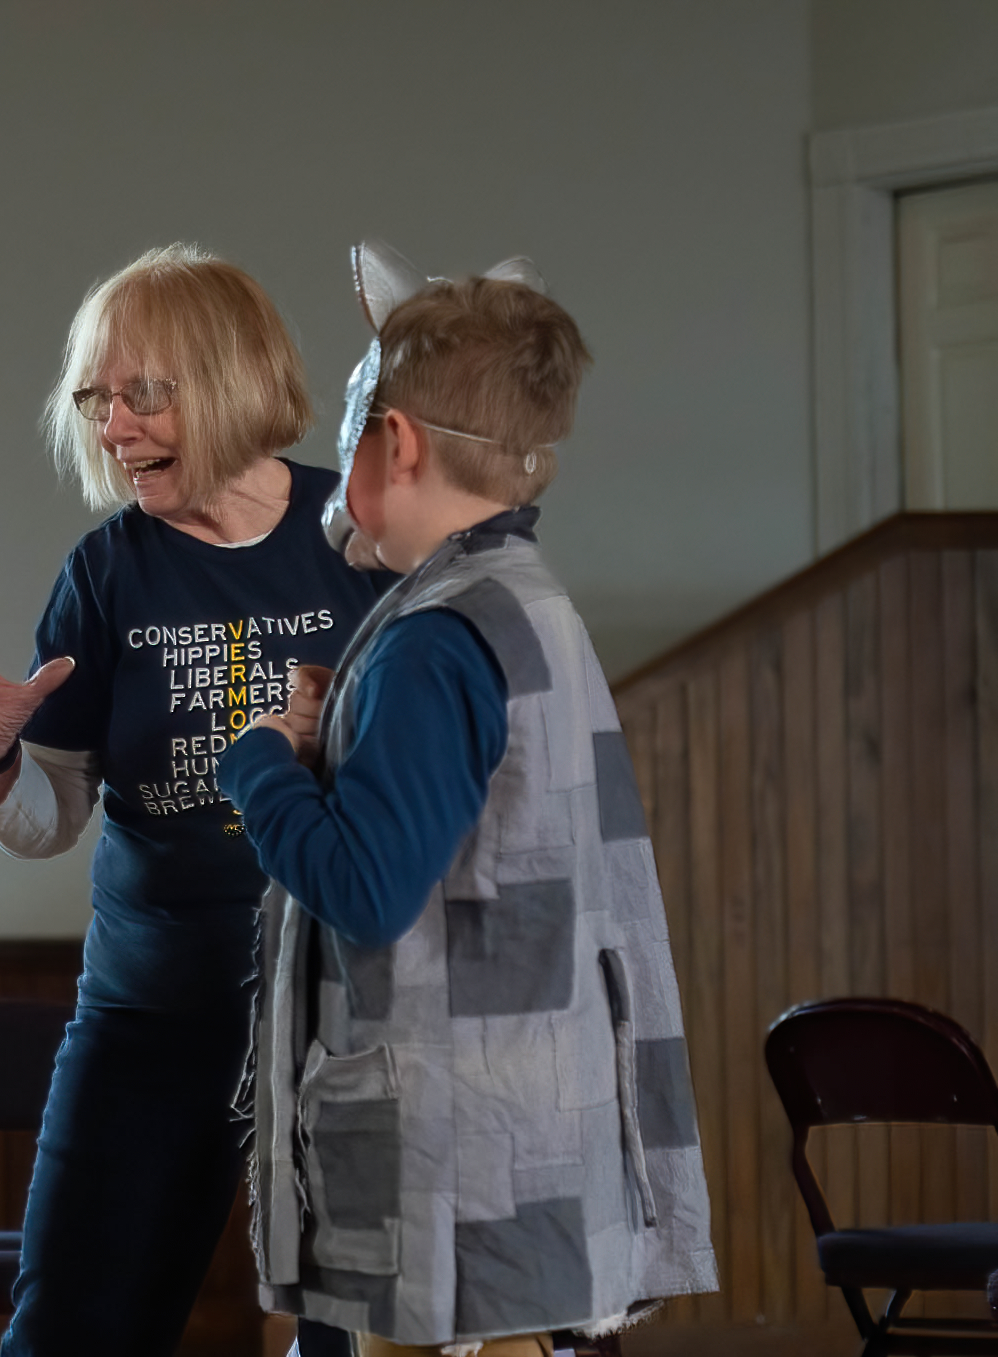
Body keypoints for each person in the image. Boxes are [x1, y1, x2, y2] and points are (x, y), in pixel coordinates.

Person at [0, 244, 384, 1355]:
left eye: (141, 394)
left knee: (358, 1337)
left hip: (352, 1015)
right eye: (95, 401)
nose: (113, 428)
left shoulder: (364, 538)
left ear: (231, 380)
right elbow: (49, 818)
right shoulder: (107, 572)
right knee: (74, 1325)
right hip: (154, 1008)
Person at [219, 244, 718, 1357]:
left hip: (449, 1177)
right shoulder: (527, 602)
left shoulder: (431, 642)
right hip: (522, 1152)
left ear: (395, 441)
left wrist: (259, 764)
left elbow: (367, 888)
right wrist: (344, 747)